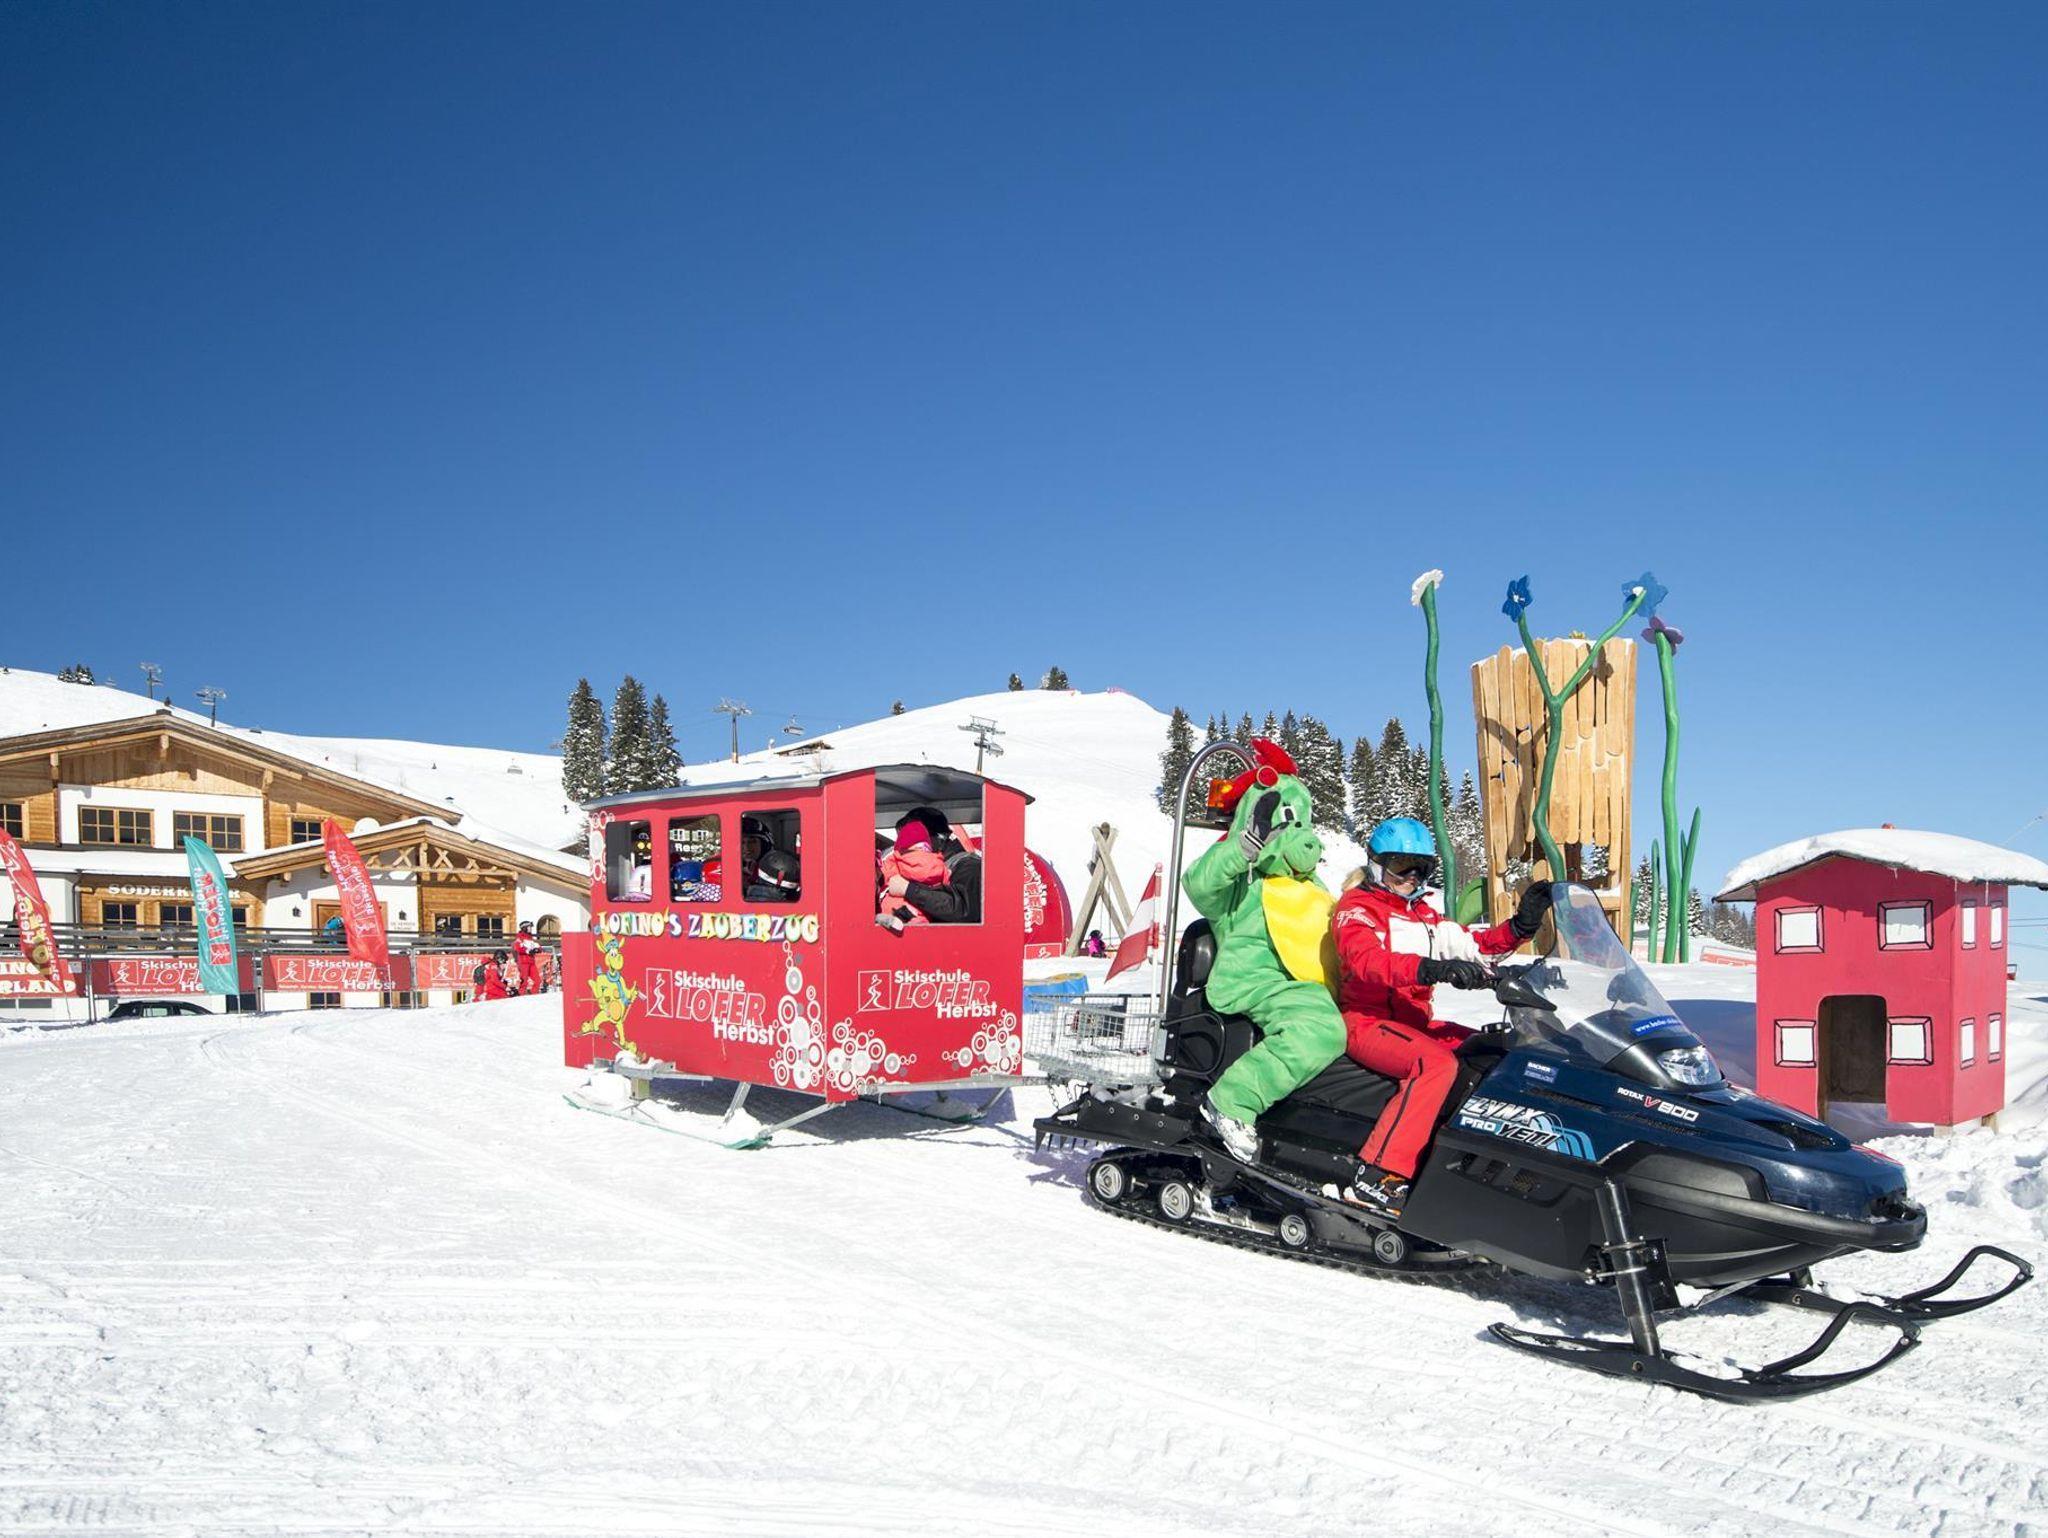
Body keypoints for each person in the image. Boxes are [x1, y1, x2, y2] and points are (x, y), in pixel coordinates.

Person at [1332, 816, 1554, 1212]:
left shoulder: (1425, 915)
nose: (1411, 878)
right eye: (1401, 867)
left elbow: (1476, 946)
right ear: (1377, 865)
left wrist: (1522, 926)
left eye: (1421, 869)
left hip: (1414, 1023)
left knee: (1494, 1049)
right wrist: (1430, 969)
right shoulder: (1357, 909)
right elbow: (1366, 960)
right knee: (1434, 1065)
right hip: (1367, 1022)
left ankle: (1477, 1162)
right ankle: (1378, 1175)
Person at [886, 807, 982, 923]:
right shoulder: (918, 868)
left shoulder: (969, 867)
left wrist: (909, 889)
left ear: (938, 838)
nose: (904, 848)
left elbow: (965, 911)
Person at [877, 820, 952, 931]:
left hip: (893, 921)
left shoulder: (895, 863)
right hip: (928, 926)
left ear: (900, 848)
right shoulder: (941, 868)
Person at [511, 920, 544, 995]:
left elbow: (538, 946)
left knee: (537, 980)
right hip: (523, 962)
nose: (531, 929)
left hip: (531, 962)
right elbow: (517, 947)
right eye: (529, 927)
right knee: (524, 981)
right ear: (524, 928)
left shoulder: (530, 938)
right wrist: (528, 951)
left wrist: (538, 949)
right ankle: (521, 994)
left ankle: (534, 993)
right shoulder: (520, 938)